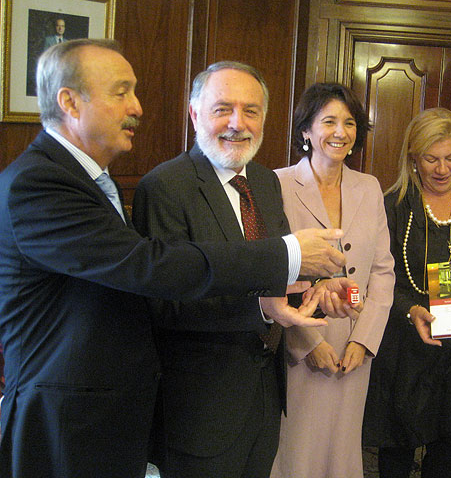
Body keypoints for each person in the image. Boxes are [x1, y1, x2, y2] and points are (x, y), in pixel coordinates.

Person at [0, 39, 346, 478]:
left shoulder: (91, 181)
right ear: (69, 102)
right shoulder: (40, 183)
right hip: (66, 423)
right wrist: (289, 253)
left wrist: (304, 290)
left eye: (251, 111)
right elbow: (151, 268)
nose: (138, 107)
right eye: (121, 92)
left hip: (115, 418)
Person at [132, 61, 327, 478]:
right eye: (223, 109)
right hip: (200, 410)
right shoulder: (164, 187)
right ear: (194, 114)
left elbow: (278, 273)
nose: (237, 123)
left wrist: (320, 291)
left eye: (250, 111)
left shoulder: (265, 181)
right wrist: (261, 309)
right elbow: (164, 304)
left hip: (264, 398)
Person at [363, 108, 451, 478]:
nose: (442, 169)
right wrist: (410, 310)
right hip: (406, 342)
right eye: (431, 159)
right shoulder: (393, 205)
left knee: (448, 449)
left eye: (450, 158)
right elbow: (378, 278)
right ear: (413, 158)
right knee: (397, 450)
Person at [269, 83, 395, 478]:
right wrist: (308, 342)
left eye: (350, 122)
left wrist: (364, 340)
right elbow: (271, 273)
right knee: (298, 448)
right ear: (306, 130)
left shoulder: (369, 187)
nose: (341, 131)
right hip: (300, 339)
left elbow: (382, 270)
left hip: (354, 343)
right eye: (329, 121)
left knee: (342, 448)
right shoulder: (277, 184)